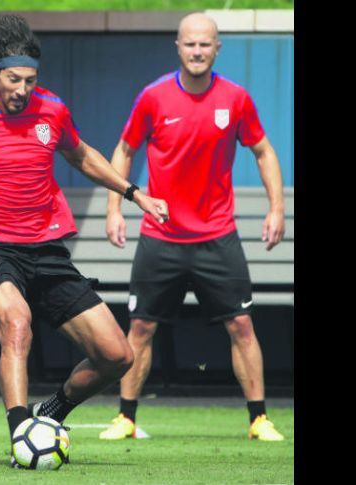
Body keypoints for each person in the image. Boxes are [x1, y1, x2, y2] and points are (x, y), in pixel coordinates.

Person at [0, 14, 169, 467]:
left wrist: (135, 194)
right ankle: (20, 434)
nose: (22, 89)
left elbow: (82, 154)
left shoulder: (52, 109)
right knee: (17, 324)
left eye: (30, 80)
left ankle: (51, 413)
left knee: (117, 355)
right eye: (14, 79)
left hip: (48, 248)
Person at [99, 13, 286, 442]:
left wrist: (276, 209)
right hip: (160, 236)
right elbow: (124, 150)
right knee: (141, 328)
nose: (198, 51)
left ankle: (258, 419)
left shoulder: (236, 98)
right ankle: (126, 417)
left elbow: (264, 151)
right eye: (190, 44)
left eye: (206, 44)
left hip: (217, 235)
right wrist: (115, 208)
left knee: (241, 326)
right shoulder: (153, 97)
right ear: (178, 47)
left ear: (217, 48)